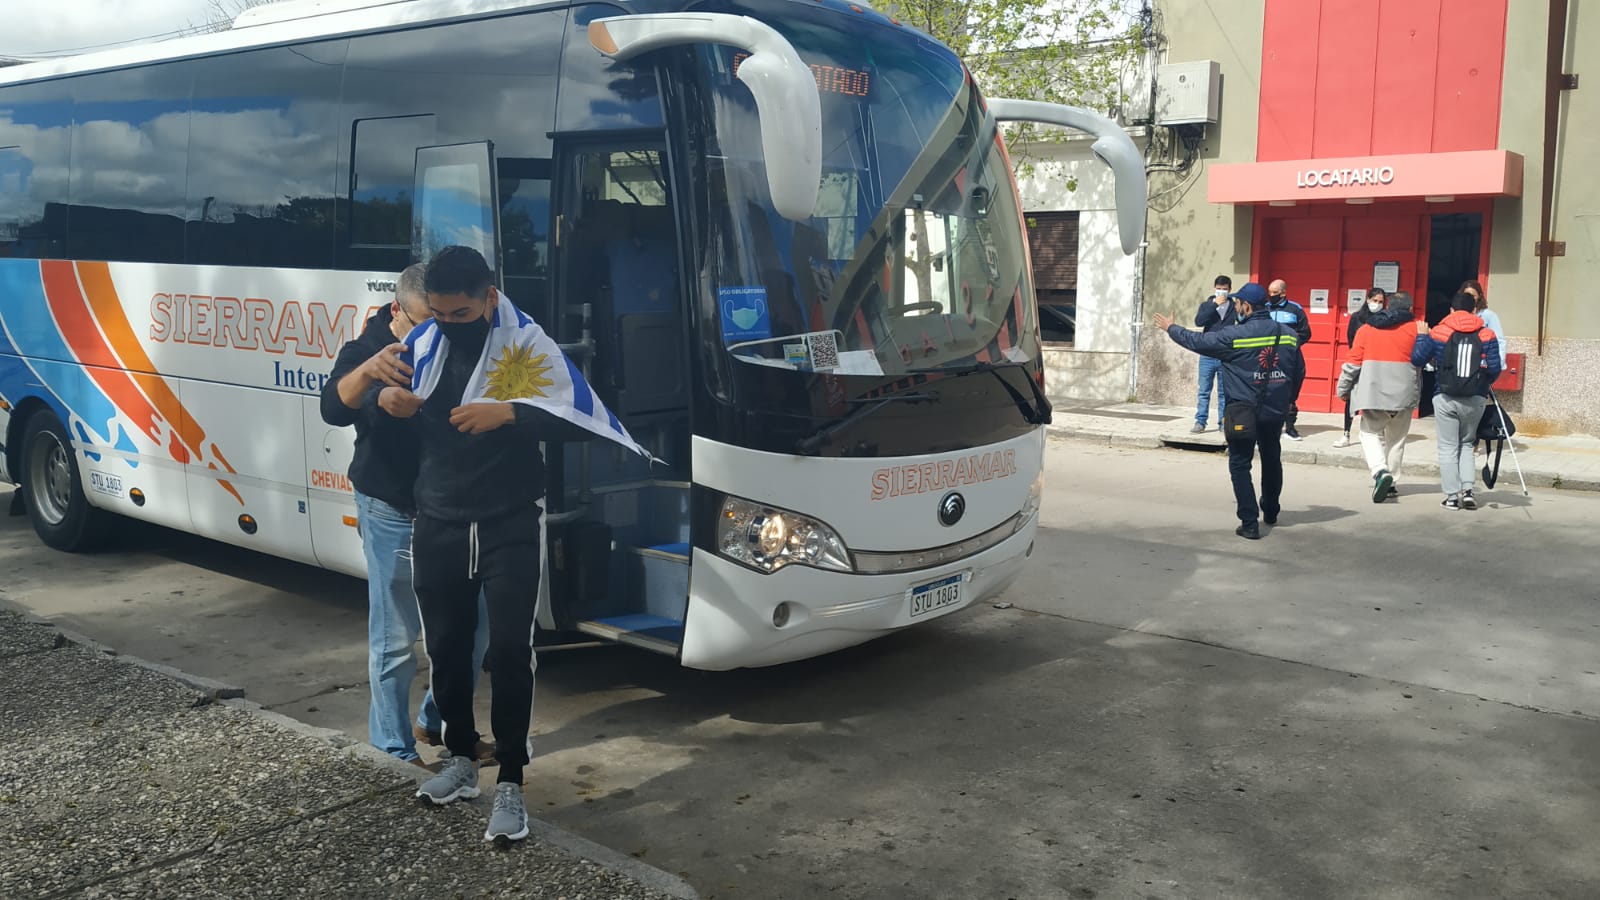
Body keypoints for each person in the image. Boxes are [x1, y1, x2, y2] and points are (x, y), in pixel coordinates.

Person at [391, 246, 639, 844]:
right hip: (439, 520)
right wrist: (383, 400)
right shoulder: (420, 347)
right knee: (446, 649)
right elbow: (349, 408)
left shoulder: (523, 346)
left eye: (461, 313)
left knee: (508, 652)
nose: (449, 324)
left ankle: (511, 781)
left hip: (508, 521)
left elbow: (578, 418)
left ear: (489, 298)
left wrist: (508, 414)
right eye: (439, 314)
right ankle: (459, 759)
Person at [319, 264, 491, 766]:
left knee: (474, 632)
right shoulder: (370, 348)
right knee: (396, 638)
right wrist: (373, 380)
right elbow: (334, 407)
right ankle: (393, 747)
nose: (439, 330)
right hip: (393, 508)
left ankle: (440, 722)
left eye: (446, 318)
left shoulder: (460, 338)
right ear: (397, 311)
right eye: (426, 320)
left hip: (456, 508)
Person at [1155, 282, 1304, 539]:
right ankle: (1270, 511)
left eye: (1237, 304)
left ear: (1247, 306)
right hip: (1274, 410)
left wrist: (1171, 328)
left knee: (1239, 464)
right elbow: (1299, 370)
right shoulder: (1289, 334)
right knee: (1271, 459)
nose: (1236, 308)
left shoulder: (1235, 335)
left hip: (1242, 410)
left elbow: (1197, 341)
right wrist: (1290, 400)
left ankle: (1249, 523)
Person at [1412, 291, 1502, 510]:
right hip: (1475, 398)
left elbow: (1418, 358)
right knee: (1467, 444)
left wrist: (1422, 336)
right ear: (1474, 310)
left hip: (1444, 396)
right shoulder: (1487, 334)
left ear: (1451, 310)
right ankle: (1468, 491)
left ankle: (1452, 497)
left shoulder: (1439, 332)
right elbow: (1494, 368)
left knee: (1448, 447)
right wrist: (1481, 385)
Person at [1335, 291, 1420, 503]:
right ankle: (1391, 484)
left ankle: (1380, 471)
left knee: (1369, 433)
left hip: (1373, 394)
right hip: (1404, 395)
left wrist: (1342, 388)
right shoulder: (1417, 330)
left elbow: (1353, 363)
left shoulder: (1367, 329)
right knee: (1397, 440)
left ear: (1388, 307)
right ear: (1410, 309)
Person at [1332, 287, 1386, 448]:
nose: (1377, 304)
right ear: (1368, 299)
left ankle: (1375, 433)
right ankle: (1346, 434)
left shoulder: (1385, 319)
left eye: (1381, 302)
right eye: (1375, 300)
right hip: (1359, 362)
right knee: (1351, 398)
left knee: (1375, 400)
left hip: (1377, 365)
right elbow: (1351, 340)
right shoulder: (1357, 317)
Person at [1264, 279, 1312, 440]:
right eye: (1269, 292)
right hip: (1267, 356)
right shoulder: (1264, 308)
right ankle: (1268, 427)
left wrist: (1290, 346)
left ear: (1283, 293)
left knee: (1291, 390)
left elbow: (1305, 333)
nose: (1271, 295)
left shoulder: (1295, 309)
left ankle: (1290, 427)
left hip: (1290, 357)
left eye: (1275, 293)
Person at [1191, 274, 1236, 433]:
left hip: (1225, 355)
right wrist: (1214, 305)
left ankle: (1223, 422)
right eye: (1219, 289)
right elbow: (1199, 321)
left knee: (1224, 393)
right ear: (1214, 288)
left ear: (1230, 290)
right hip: (1208, 354)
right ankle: (1200, 421)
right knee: (1204, 390)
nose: (1221, 292)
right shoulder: (1207, 305)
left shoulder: (1234, 306)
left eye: (1224, 289)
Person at [1459, 280, 1508, 368]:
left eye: (1473, 296)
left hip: (1483, 365)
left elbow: (1500, 341)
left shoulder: (1488, 315)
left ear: (1479, 296)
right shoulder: (1458, 315)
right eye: (1466, 295)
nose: (1470, 298)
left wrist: (1497, 365)